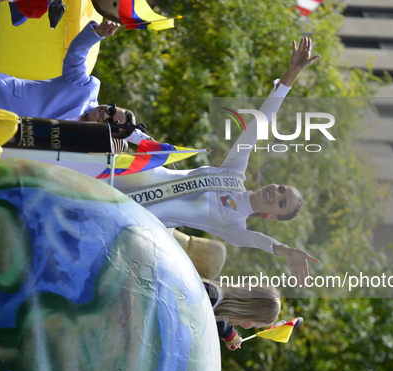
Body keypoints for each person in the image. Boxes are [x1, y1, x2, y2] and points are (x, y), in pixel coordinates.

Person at [112, 37, 320, 282]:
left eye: (281, 202)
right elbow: (258, 124)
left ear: (272, 217)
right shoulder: (233, 173)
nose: (276, 193)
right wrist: (291, 74)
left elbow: (255, 240)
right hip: (120, 172)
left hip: (125, 216)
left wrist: (284, 250)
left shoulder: (233, 225)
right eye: (281, 189)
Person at [0, 20, 150, 144]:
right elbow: (76, 56)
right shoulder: (86, 88)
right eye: (111, 109)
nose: (105, 113)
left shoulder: (76, 142)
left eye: (110, 121)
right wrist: (97, 34)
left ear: (106, 131)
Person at [203, 280, 280, 351]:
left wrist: (230, 335)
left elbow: (220, 322)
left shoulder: (216, 303)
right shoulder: (210, 296)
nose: (247, 328)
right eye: (254, 326)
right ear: (250, 312)